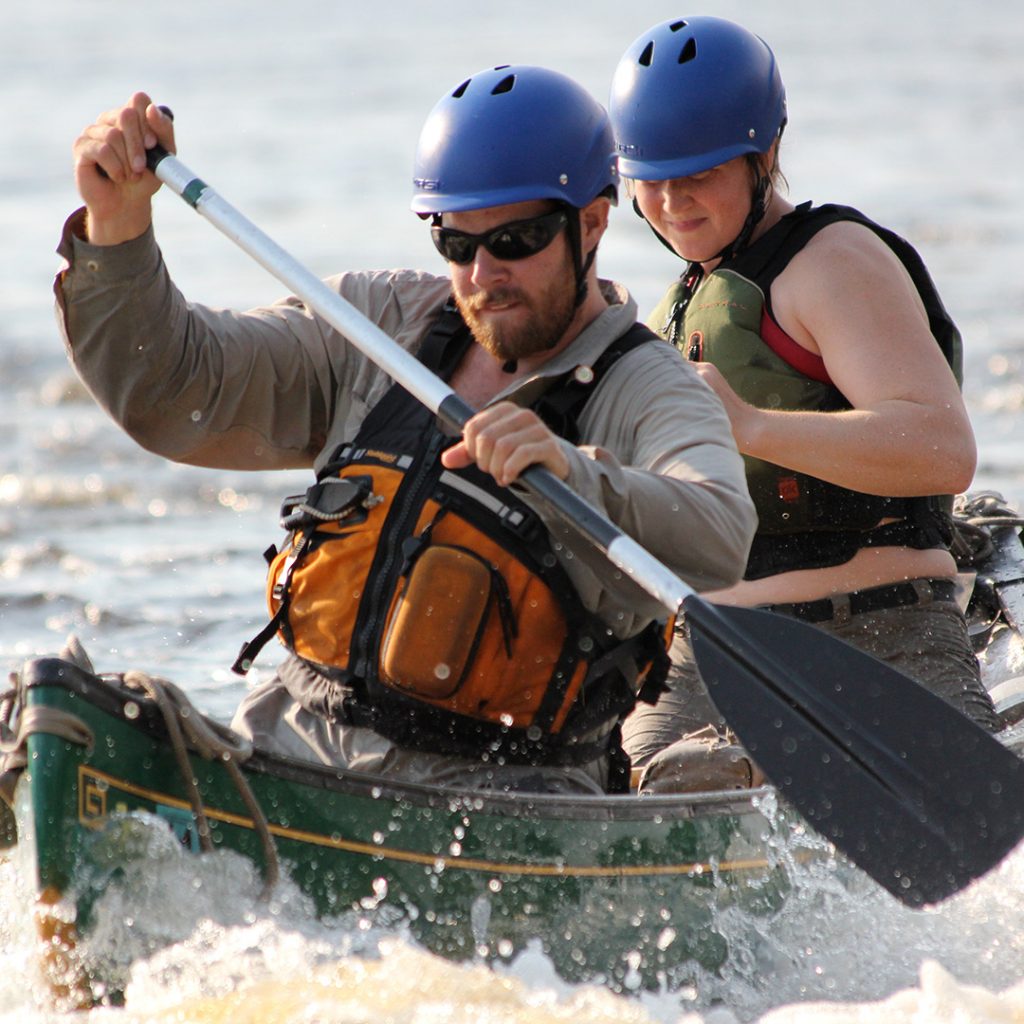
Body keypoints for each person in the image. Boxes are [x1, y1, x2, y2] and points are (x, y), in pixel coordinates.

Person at [56, 67, 757, 795]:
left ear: (591, 223)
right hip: (291, 750)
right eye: (456, 243)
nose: (484, 272)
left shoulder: (651, 388)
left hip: (505, 798)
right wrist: (119, 230)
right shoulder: (377, 323)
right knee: (57, 707)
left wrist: (575, 471)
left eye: (516, 239)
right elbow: (173, 392)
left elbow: (720, 532)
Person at [608, 16, 1000, 792]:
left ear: (766, 156)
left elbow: (943, 450)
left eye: (700, 173)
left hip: (876, 636)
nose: (671, 200)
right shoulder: (677, 307)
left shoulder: (834, 261)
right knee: (611, 780)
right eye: (649, 178)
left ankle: (776, 770)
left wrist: (752, 427)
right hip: (711, 658)